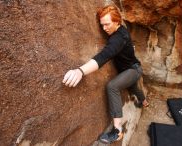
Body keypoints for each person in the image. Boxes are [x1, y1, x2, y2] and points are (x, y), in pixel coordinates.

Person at [62, 5, 149, 144]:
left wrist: (80, 71)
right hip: (130, 68)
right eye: (102, 25)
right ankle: (144, 102)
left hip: (133, 69)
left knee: (112, 86)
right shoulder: (120, 31)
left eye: (107, 24)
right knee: (134, 88)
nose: (104, 28)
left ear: (117, 21)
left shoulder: (119, 38)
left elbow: (104, 55)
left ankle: (117, 131)